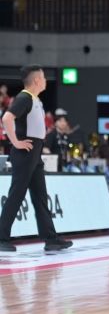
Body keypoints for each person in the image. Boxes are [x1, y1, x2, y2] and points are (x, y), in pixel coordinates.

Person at [0, 65, 73, 252]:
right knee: (17, 195)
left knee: (40, 196)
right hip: (25, 152)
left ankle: (50, 239)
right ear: (36, 81)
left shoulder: (34, 99)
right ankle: (1, 238)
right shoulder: (24, 97)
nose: (46, 80)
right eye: (43, 77)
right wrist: (15, 142)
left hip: (34, 153)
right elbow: (7, 118)